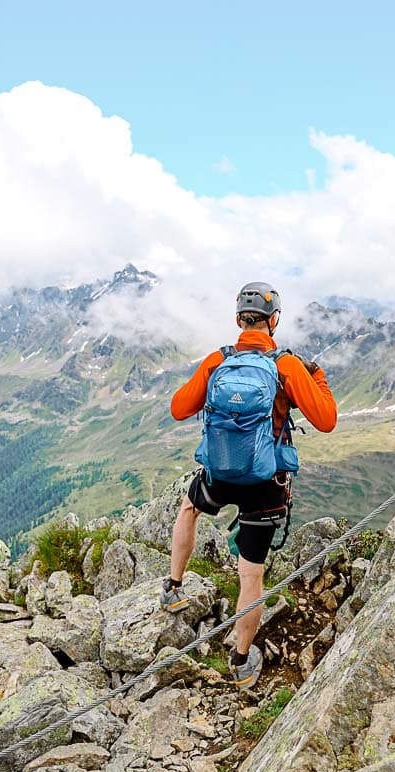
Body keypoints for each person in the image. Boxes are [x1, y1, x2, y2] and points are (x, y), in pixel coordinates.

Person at [162, 282, 337, 690]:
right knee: (250, 575)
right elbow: (326, 419)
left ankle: (172, 588)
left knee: (189, 508)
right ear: (273, 320)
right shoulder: (287, 367)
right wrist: (319, 378)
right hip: (265, 483)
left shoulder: (217, 361)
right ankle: (240, 662)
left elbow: (178, 409)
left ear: (239, 320)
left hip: (220, 474)